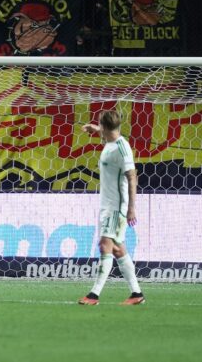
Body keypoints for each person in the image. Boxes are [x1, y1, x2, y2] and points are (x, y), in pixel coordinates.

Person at [78, 110, 145, 306]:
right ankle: (136, 293)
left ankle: (94, 295)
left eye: (100, 125)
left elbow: (132, 177)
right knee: (117, 248)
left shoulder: (122, 149)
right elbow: (108, 134)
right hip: (107, 205)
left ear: (105, 126)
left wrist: (131, 208)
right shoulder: (110, 141)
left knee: (105, 245)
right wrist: (96, 129)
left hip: (116, 207)